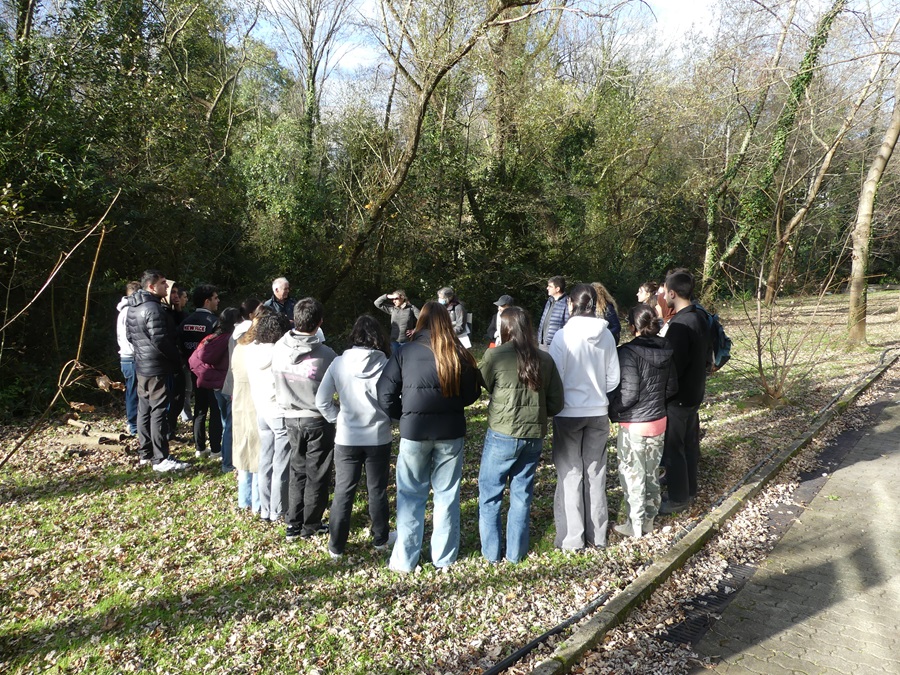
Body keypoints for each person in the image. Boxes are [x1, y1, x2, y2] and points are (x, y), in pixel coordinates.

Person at [377, 301, 481, 572]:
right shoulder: (458, 352)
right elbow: (472, 393)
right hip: (450, 433)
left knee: (410, 495)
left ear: (420, 321)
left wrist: (405, 414)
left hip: (415, 432)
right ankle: (443, 558)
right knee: (446, 495)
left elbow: (384, 393)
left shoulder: (405, 351)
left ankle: (404, 560)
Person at [478, 306, 564, 563]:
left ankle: (491, 554)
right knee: (521, 495)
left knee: (490, 495)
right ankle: (515, 554)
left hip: (502, 432)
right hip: (533, 434)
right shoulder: (545, 360)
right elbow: (557, 403)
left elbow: (483, 383)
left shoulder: (495, 356)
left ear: (503, 329)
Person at [315, 315, 394, 558]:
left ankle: (336, 545)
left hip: (347, 437)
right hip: (378, 436)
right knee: (377, 489)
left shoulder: (339, 362)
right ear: (378, 337)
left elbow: (321, 400)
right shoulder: (387, 364)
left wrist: (338, 418)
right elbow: (393, 400)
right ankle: (380, 539)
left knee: (343, 491)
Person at [549, 283, 620, 550]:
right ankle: (598, 536)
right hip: (598, 412)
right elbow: (613, 378)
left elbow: (555, 377)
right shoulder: (607, 336)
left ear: (570, 304)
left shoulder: (563, 336)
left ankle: (572, 539)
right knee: (596, 473)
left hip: (568, 412)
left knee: (570, 474)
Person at [608, 304, 678, 537]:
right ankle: (649, 520)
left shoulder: (627, 352)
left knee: (632, 475)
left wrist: (613, 411)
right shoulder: (667, 347)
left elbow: (628, 395)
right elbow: (672, 387)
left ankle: (635, 526)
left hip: (634, 424)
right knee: (651, 474)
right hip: (658, 420)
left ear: (631, 327)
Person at [272, 297, 338, 542]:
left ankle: (293, 523)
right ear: (319, 323)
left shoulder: (279, 348)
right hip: (316, 419)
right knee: (317, 473)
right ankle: (310, 523)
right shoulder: (327, 355)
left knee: (297, 470)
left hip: (290, 417)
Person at [125, 270, 189, 472]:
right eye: (163, 283)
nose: (166, 287)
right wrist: (176, 359)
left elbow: (130, 336)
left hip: (142, 366)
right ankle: (161, 458)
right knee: (159, 410)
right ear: (151, 287)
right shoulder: (153, 309)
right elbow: (160, 339)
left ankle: (146, 453)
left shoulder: (133, 308)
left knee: (144, 410)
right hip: (157, 367)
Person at [659, 270, 710, 514]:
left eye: (665, 292)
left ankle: (678, 497)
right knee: (689, 445)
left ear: (672, 293)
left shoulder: (679, 325)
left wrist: (663, 394)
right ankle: (690, 488)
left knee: (673, 449)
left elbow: (672, 366)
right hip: (694, 393)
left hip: (678, 398)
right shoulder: (699, 317)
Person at [244, 310, 291, 522]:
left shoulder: (252, 350)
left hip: (261, 408)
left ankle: (264, 508)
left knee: (265, 461)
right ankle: (278, 509)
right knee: (281, 463)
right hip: (279, 411)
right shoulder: (279, 352)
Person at [189, 307, 241, 472]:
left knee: (225, 423)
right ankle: (228, 463)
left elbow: (195, 359)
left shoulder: (211, 338)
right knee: (230, 426)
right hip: (230, 386)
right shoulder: (233, 340)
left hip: (217, 387)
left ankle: (225, 456)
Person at [178, 284, 221, 459]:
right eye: (215, 298)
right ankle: (216, 449)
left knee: (200, 409)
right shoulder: (213, 322)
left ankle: (199, 447)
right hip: (210, 373)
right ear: (207, 301)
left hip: (193, 371)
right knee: (215, 410)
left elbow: (180, 345)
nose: (218, 301)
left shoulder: (185, 322)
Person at [229, 301, 263, 512]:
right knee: (258, 453)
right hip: (254, 402)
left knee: (242, 451)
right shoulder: (255, 351)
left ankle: (244, 499)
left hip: (239, 403)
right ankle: (258, 502)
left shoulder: (237, 351)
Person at [116, 280, 141, 436]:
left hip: (127, 357)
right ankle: (133, 425)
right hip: (131, 357)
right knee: (133, 392)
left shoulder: (123, 311)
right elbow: (131, 337)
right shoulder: (129, 311)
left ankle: (135, 424)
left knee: (134, 391)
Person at [538, 275, 569, 351]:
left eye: (550, 286)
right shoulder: (549, 301)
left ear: (557, 289)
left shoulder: (566, 303)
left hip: (556, 344)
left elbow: (567, 325)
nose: (547, 288)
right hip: (543, 343)